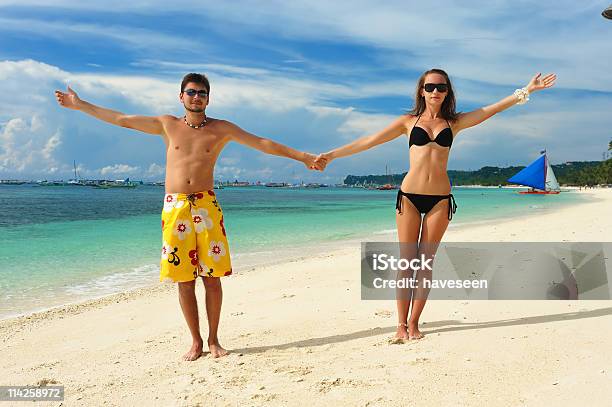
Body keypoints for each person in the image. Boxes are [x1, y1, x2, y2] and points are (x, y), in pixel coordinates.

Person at [55, 73, 318, 360]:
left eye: (202, 93)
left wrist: (302, 156)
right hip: (175, 207)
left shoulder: (221, 129)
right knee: (184, 279)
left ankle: (214, 340)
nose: (196, 97)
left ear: (208, 98)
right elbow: (122, 119)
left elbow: (262, 143)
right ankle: (195, 341)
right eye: (191, 92)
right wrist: (81, 105)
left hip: (206, 207)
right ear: (181, 96)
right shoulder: (167, 125)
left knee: (212, 278)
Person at [313, 68, 556, 340]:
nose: (436, 92)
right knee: (406, 261)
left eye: (441, 87)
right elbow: (369, 141)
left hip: (440, 199)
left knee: (425, 262)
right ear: (421, 91)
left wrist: (527, 90)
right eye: (430, 87)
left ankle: (415, 323)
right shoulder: (408, 123)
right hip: (409, 197)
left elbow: (492, 109)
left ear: (447, 91)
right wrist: (332, 155)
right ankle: (400, 324)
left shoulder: (455, 123)